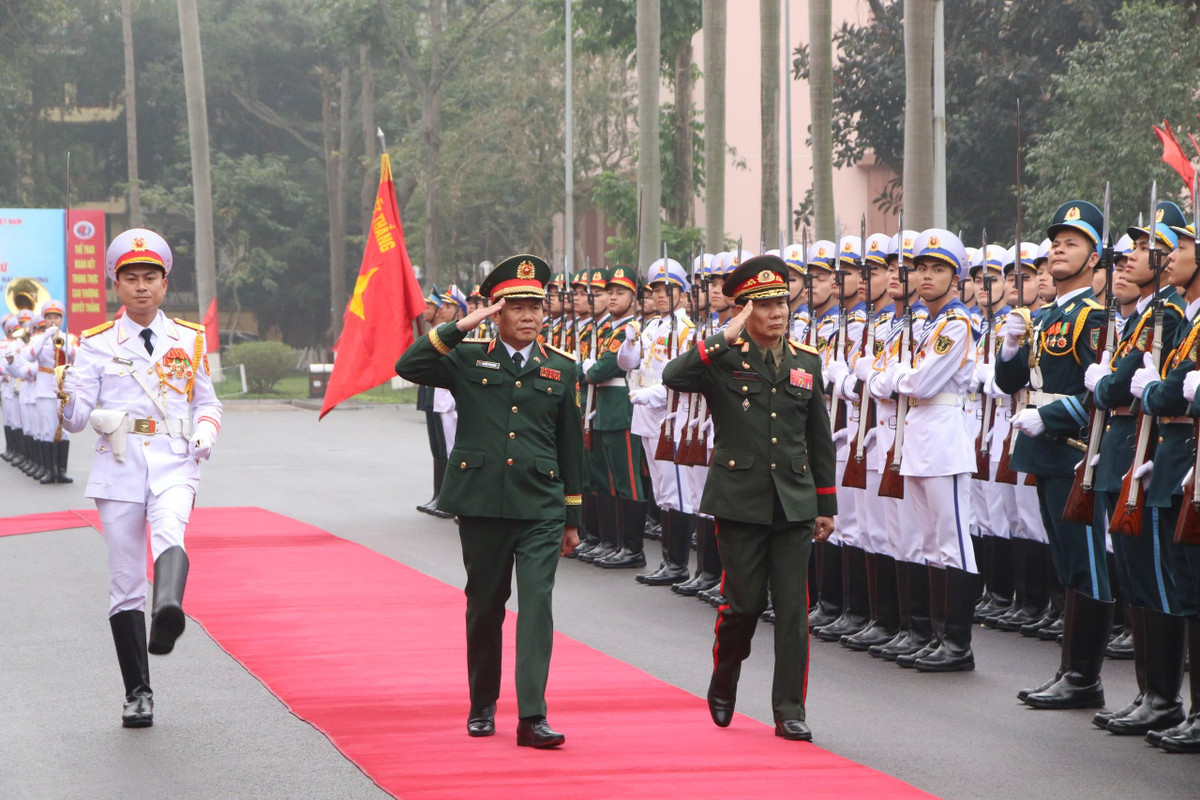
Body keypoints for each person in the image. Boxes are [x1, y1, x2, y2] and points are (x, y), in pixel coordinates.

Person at [394, 254, 582, 749]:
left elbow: (570, 446)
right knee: (484, 606)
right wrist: (461, 326)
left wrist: (572, 516)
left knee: (537, 605)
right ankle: (482, 703)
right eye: (516, 307)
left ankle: (533, 716)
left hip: (540, 505)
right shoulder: (468, 357)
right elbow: (408, 365)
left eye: (535, 307)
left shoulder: (562, 368)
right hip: (482, 503)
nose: (528, 316)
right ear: (496, 313)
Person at [662, 254, 837, 741]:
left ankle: (789, 709)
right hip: (739, 499)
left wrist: (825, 504)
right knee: (742, 605)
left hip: (794, 502)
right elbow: (673, 376)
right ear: (744, 310)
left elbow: (818, 437)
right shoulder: (723, 358)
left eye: (781, 302)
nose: (777, 312)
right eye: (763, 305)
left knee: (793, 610)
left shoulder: (806, 361)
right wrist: (724, 335)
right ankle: (725, 676)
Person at [58, 227, 222, 728]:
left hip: (174, 459)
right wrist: (65, 392)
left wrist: (205, 434)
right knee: (126, 580)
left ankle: (168, 608)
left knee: (171, 531)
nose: (141, 286)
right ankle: (138, 693)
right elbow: (76, 420)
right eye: (131, 278)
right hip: (119, 464)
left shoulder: (188, 338)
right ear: (117, 285)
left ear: (164, 283)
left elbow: (206, 402)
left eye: (150, 277)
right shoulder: (95, 344)